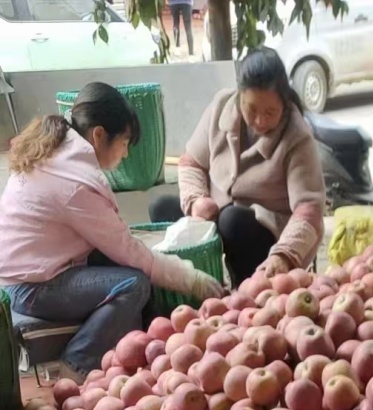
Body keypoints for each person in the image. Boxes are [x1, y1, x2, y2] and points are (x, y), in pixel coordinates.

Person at [0, 83, 223, 382]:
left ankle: (129, 355)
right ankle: (76, 365)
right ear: (99, 135)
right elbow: (131, 253)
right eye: (125, 142)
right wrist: (192, 279)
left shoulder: (56, 150)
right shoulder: (76, 182)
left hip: (27, 272)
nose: (126, 153)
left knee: (122, 268)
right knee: (134, 284)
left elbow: (117, 243)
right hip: (30, 287)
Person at [149, 48, 325, 288]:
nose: (260, 121)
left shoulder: (297, 136)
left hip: (268, 233)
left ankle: (246, 295)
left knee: (232, 220)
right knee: (162, 208)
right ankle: (193, 290)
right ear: (239, 96)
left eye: (270, 112)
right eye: (251, 109)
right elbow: (191, 162)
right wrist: (196, 199)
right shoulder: (222, 105)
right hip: (217, 215)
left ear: (284, 102)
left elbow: (309, 209)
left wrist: (283, 254)